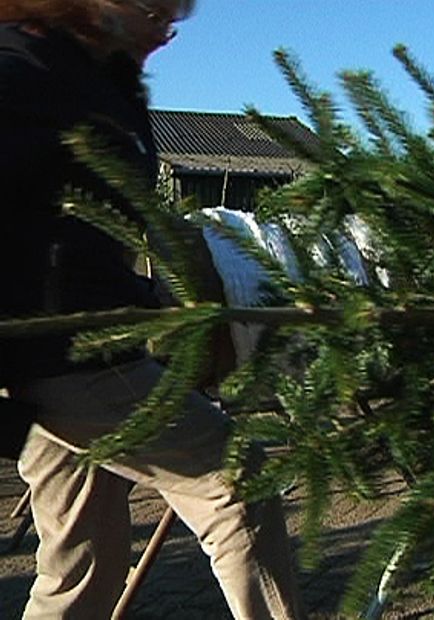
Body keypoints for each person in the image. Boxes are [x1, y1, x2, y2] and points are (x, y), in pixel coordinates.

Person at [0, 2, 303, 617]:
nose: (164, 30)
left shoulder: (99, 77)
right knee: (236, 487)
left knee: (85, 563)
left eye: (174, 17)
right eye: (151, 9)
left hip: (81, 346)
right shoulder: (21, 68)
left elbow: (81, 235)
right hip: (70, 355)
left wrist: (150, 300)